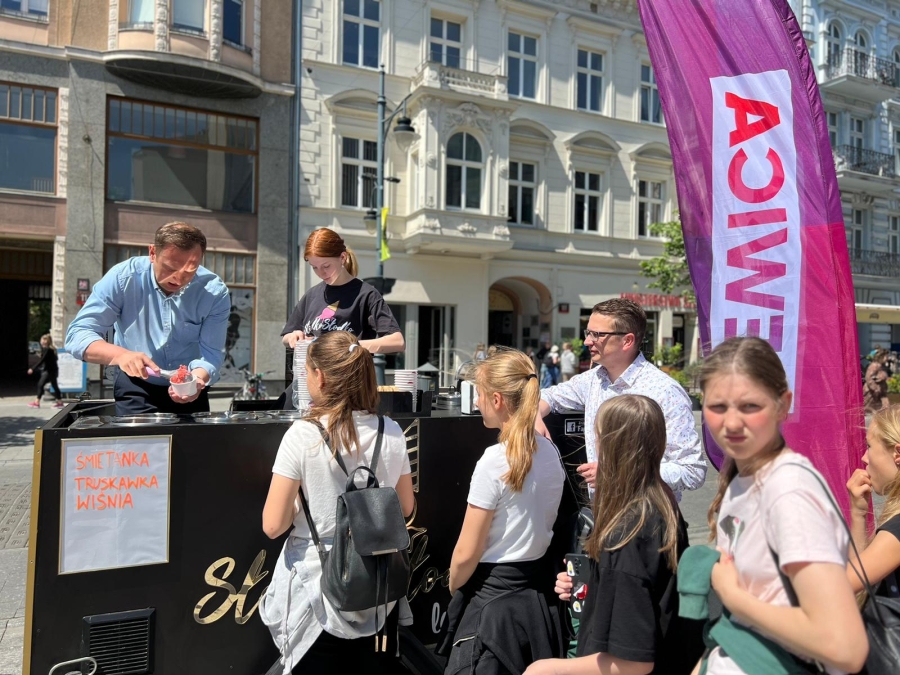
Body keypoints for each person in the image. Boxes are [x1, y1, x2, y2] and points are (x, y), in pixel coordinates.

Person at [698, 336, 868, 675]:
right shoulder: (745, 477)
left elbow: (845, 647)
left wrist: (733, 596)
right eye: (717, 407)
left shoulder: (789, 491)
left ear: (782, 404)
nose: (732, 423)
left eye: (750, 406)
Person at [260, 331, 415, 674]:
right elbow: (405, 508)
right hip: (377, 587)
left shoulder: (302, 435)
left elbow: (273, 525)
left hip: (317, 589)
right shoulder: (391, 431)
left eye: (306, 371)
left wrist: (302, 505)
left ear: (320, 377)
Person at [525, 395, 692, 675]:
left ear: (609, 445)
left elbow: (634, 662)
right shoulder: (662, 505)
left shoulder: (626, 535)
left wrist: (548, 669)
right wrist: (594, 586)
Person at [441, 348, 565, 672]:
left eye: (480, 394)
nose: (476, 402)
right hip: (536, 602)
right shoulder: (551, 452)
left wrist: (455, 587)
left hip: (491, 605)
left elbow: (467, 553)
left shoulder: (494, 460)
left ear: (497, 400)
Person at [536, 299, 706, 500]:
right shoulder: (592, 379)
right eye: (588, 332)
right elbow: (548, 396)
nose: (587, 341)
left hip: (645, 514)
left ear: (627, 341)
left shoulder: (664, 391)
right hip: (602, 512)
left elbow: (692, 470)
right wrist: (535, 415)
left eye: (598, 334)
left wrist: (620, 474)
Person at [65, 222, 230, 416]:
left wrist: (197, 379)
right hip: (136, 383)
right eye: (170, 268)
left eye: (190, 271)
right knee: (141, 436)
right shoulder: (123, 278)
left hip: (190, 384)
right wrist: (121, 355)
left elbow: (211, 353)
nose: (178, 279)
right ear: (152, 253)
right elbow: (77, 335)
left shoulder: (213, 292)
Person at [281, 228, 404, 354]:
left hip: (349, 367)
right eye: (314, 267)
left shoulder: (367, 295)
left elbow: (397, 342)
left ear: (343, 257)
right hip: (310, 367)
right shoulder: (311, 295)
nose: (321, 273)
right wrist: (293, 336)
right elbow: (286, 337)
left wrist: (348, 346)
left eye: (326, 266)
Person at [846, 404, 900, 597]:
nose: (864, 458)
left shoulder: (896, 531)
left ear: (897, 454)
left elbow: (841, 588)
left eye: (869, 447)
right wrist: (858, 513)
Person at [27, 333, 63, 409]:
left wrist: (32, 368)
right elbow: (51, 359)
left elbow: (42, 360)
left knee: (40, 384)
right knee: (54, 386)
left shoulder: (47, 349)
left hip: (49, 371)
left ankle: (37, 402)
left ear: (46, 341)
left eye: (43, 340)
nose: (41, 341)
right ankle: (60, 402)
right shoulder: (51, 349)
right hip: (53, 370)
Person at [864, 349, 890, 414]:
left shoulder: (882, 366)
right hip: (872, 392)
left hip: (881, 391)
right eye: (886, 356)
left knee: (885, 406)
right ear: (881, 357)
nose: (887, 358)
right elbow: (868, 378)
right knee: (868, 408)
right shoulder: (874, 365)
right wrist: (875, 388)